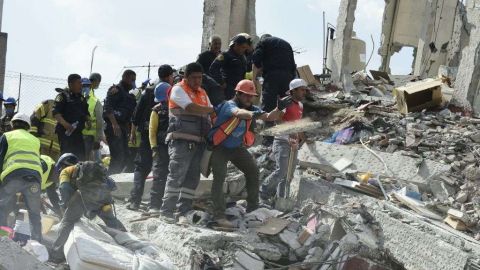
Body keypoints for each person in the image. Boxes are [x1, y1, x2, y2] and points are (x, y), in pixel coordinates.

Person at [207, 80, 289, 227]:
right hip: (220, 147)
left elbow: (270, 117)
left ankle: (253, 207)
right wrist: (254, 113)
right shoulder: (229, 105)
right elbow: (239, 113)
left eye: (251, 96)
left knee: (253, 171)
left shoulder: (251, 107)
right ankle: (219, 215)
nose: (249, 99)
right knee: (219, 179)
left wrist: (279, 108)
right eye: (246, 96)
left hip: (237, 148)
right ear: (237, 94)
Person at [159, 62, 213, 224]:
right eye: (194, 78)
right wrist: (212, 109)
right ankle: (166, 211)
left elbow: (208, 113)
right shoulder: (178, 89)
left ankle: (184, 210)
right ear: (186, 77)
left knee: (192, 179)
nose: (198, 81)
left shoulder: (202, 92)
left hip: (199, 143)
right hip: (180, 142)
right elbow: (191, 108)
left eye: (200, 77)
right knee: (176, 177)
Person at [49, 161, 126, 263]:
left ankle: (56, 255)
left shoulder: (65, 172)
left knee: (67, 222)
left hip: (85, 195)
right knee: (111, 220)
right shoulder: (93, 169)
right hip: (104, 195)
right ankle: (127, 240)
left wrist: (65, 206)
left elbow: (64, 188)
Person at [127, 65, 174, 210]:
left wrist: (133, 132)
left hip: (147, 133)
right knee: (161, 169)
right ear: (168, 76)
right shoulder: (170, 91)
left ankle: (135, 200)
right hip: (163, 137)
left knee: (142, 167)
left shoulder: (149, 89)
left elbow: (137, 111)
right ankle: (156, 203)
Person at [260, 79, 307, 203]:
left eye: (304, 90)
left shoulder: (300, 105)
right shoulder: (285, 102)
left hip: (294, 143)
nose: (304, 92)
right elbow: (278, 120)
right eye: (302, 90)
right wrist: (290, 131)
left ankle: (281, 199)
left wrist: (302, 137)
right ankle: (263, 191)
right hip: (282, 141)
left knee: (288, 175)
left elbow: (298, 123)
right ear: (293, 91)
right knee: (281, 171)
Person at [0, 113, 43, 242]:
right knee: (34, 213)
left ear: (12, 124)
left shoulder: (7, 136)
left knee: (2, 206)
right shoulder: (35, 140)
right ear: (28, 127)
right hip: (35, 177)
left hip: (14, 174)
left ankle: (2, 239)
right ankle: (37, 243)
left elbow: (0, 159)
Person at [252, 34, 296, 146]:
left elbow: (256, 60)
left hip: (272, 77)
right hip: (288, 77)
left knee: (269, 105)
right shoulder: (286, 44)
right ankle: (290, 135)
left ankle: (269, 139)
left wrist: (254, 79)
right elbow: (293, 65)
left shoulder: (263, 43)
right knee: (287, 104)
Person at [103, 70, 137, 175]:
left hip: (122, 127)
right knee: (118, 156)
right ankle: (109, 182)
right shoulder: (116, 90)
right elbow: (108, 108)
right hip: (114, 126)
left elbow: (130, 115)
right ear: (125, 78)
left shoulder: (129, 95)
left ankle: (114, 180)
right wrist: (114, 124)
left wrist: (131, 131)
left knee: (125, 156)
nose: (133, 82)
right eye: (132, 80)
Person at [146, 82, 171, 213]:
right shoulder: (156, 110)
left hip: (172, 147)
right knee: (159, 175)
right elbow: (152, 130)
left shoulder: (176, 108)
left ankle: (164, 204)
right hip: (161, 148)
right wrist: (154, 148)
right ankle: (154, 205)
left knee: (169, 176)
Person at [53, 74, 89, 160]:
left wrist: (88, 120)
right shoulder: (63, 96)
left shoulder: (81, 98)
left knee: (81, 158)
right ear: (70, 84)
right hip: (66, 133)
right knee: (67, 158)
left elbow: (85, 113)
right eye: (78, 83)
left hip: (78, 134)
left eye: (81, 83)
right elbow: (55, 112)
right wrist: (65, 124)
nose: (81, 85)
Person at [209, 34, 251, 100]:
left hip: (239, 88)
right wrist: (221, 82)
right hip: (228, 89)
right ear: (236, 45)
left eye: (245, 48)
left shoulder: (242, 57)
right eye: (243, 47)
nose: (244, 50)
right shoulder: (225, 54)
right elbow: (213, 68)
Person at [30, 95, 61, 160]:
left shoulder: (68, 111)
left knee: (53, 169)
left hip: (56, 151)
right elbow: (34, 117)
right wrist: (33, 136)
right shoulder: (49, 104)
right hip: (41, 146)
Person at [82, 73, 104, 161]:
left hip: (77, 133)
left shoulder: (76, 95)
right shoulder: (94, 99)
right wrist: (98, 139)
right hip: (88, 136)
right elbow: (99, 121)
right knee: (88, 160)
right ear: (96, 81)